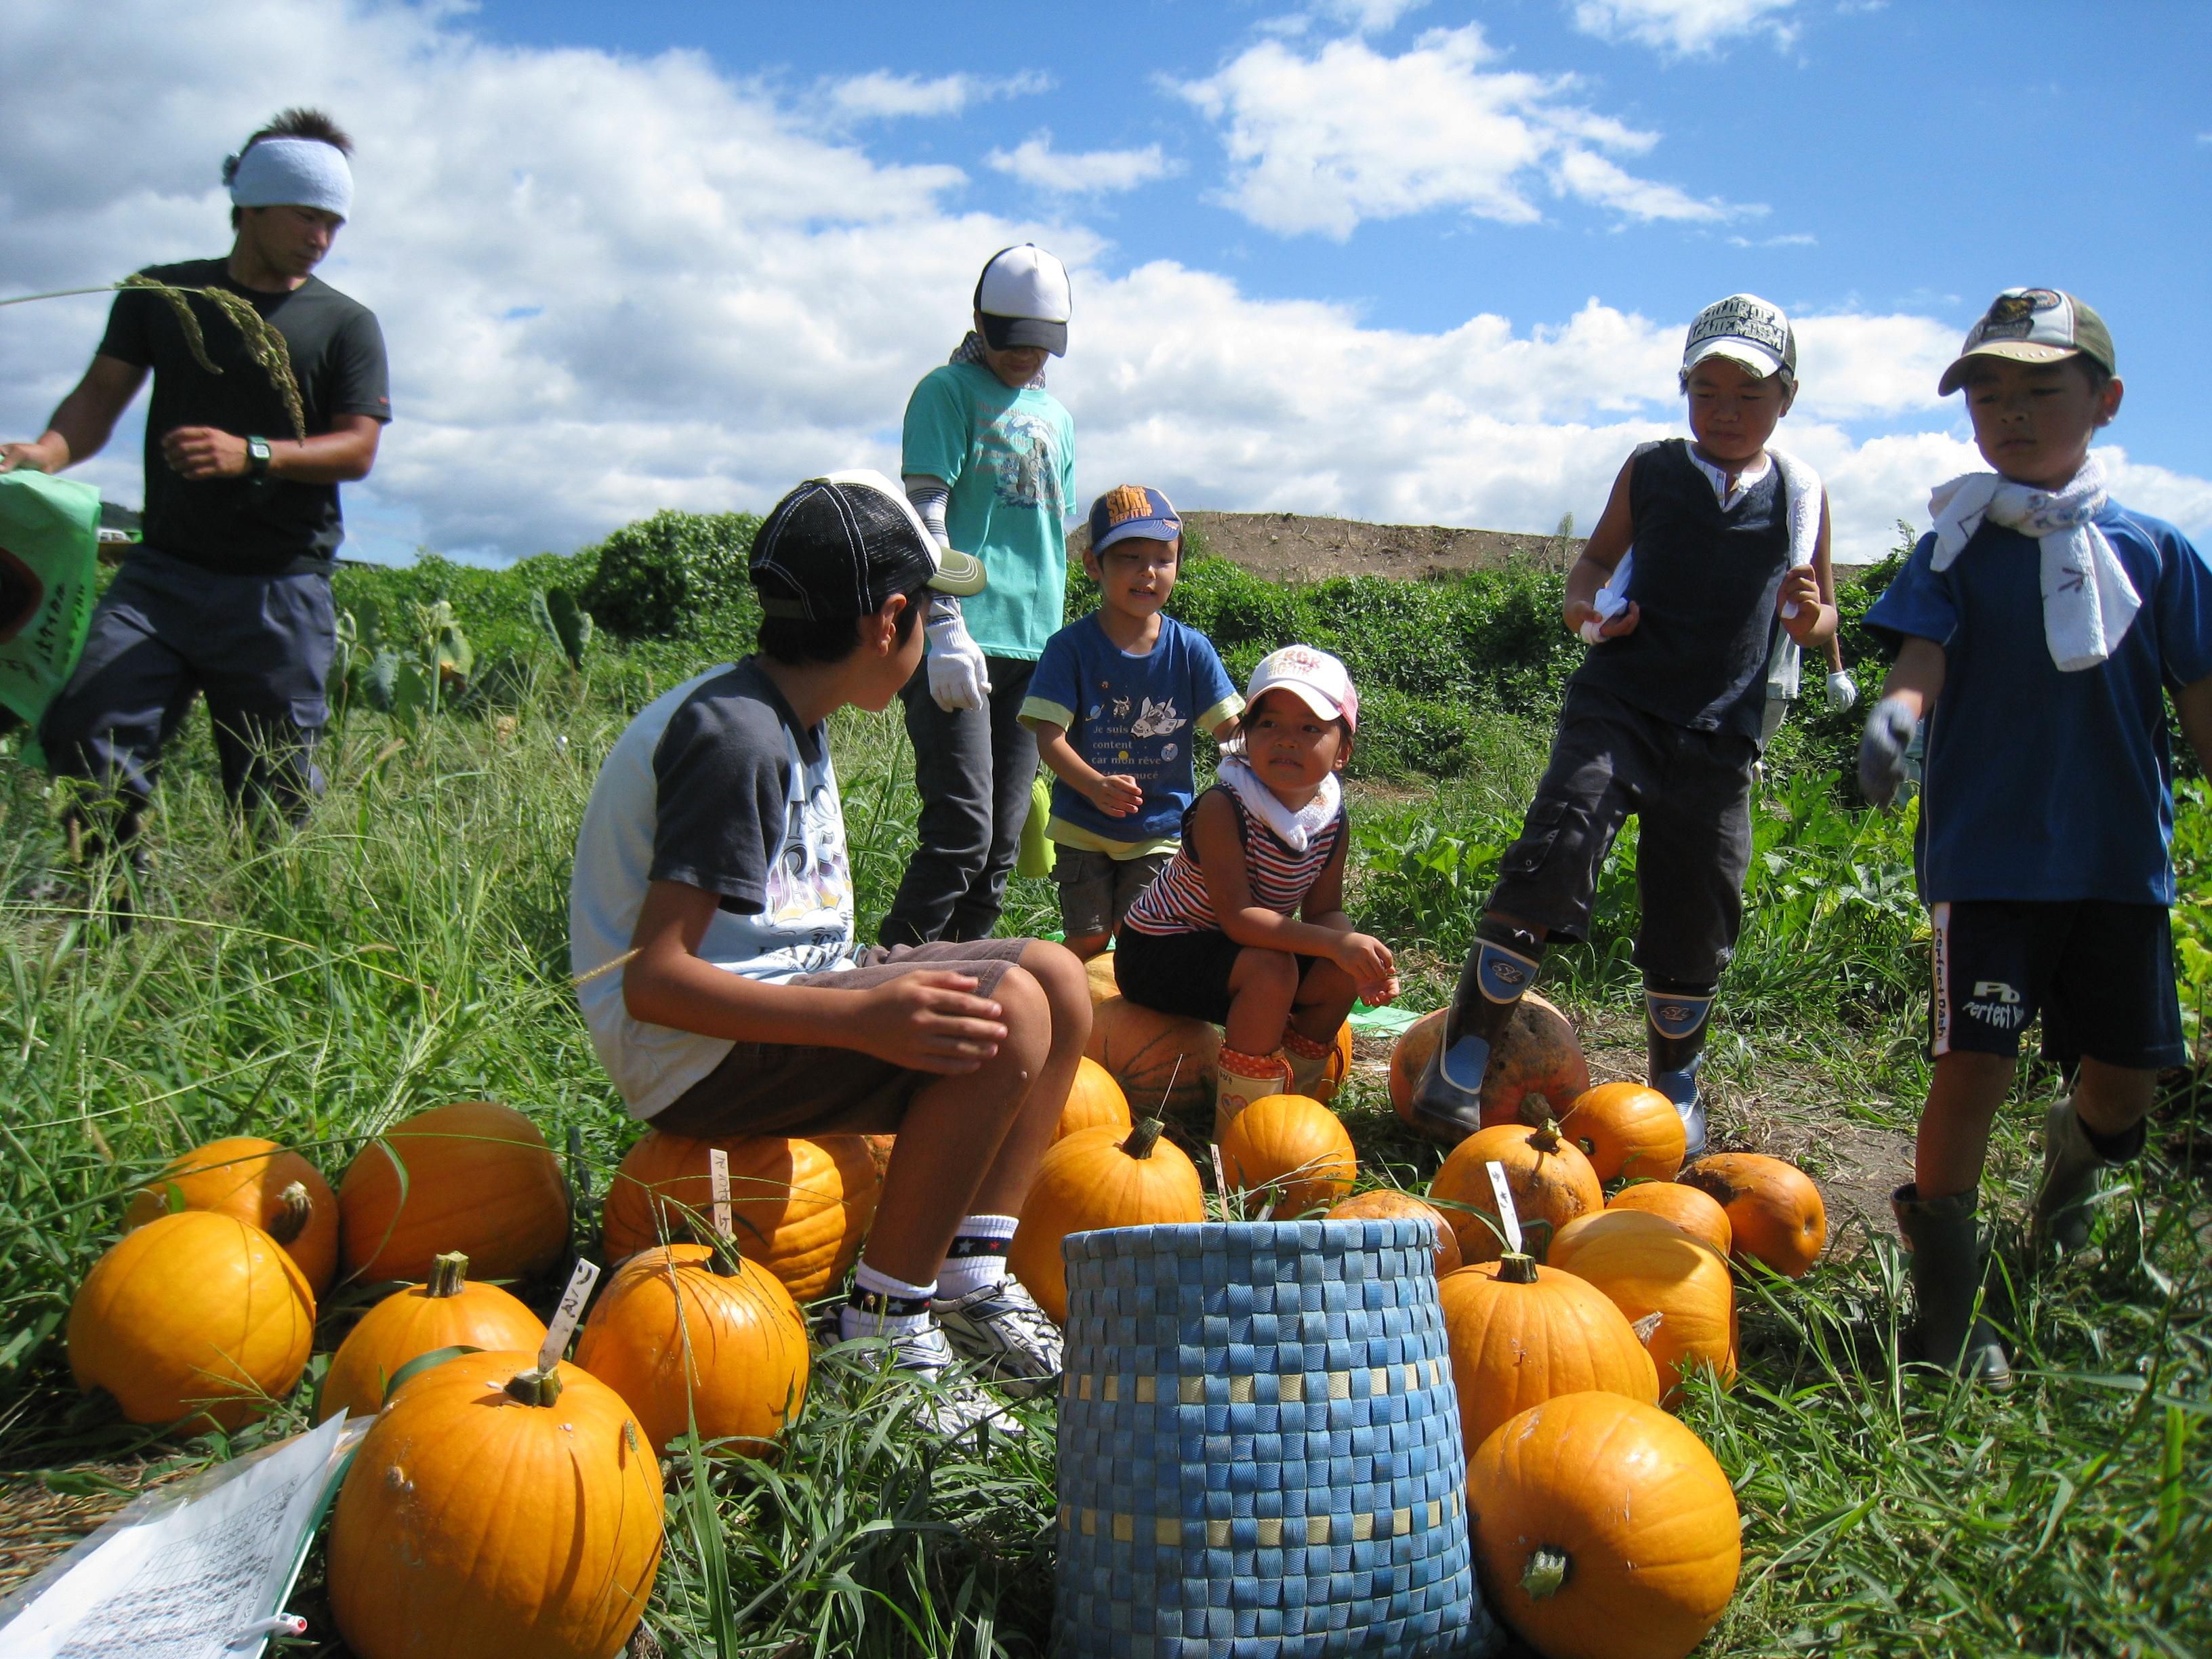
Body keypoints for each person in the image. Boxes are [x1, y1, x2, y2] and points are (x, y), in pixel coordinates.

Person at [569, 470, 1088, 1431]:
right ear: (890, 620)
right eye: (934, 613)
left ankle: (970, 1273)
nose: (936, 631)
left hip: (783, 1003)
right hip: (695, 1056)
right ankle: (884, 1326)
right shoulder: (738, 740)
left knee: (1055, 977)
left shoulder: (782, 718)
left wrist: (872, 984)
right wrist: (865, 1010)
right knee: (1006, 1015)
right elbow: (656, 982)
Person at [1857, 288, 2212, 1386]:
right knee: (1970, 1066)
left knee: (2122, 1082)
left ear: (2102, 401)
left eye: (2035, 391)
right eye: (1985, 394)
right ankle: (1948, 1309)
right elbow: (1918, 664)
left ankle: (2054, 1216)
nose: (2006, 414)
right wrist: (1892, 718)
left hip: (2115, 862)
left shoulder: (2152, 554)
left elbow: (2197, 700)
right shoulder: (1956, 544)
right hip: (1987, 859)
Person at [1409, 293, 1837, 1156]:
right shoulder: (1652, 470)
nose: (1725, 411)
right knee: (1559, 844)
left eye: (1749, 396)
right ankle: (1464, 1053)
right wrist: (1585, 614)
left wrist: (1809, 618)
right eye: (1706, 390)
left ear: (1786, 399)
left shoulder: (1802, 495)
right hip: (1620, 705)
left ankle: (1673, 1081)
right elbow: (1594, 563)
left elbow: (1825, 620)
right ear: (1683, 389)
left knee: (1700, 898)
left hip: (1721, 735)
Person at [0, 108, 389, 862]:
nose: (322, 237)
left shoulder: (344, 323)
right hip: (161, 577)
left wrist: (254, 454)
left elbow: (358, 448)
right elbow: (97, 399)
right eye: (308, 215)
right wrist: (45, 452)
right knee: (88, 726)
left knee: (274, 791)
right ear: (250, 205)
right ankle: (113, 908)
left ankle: (262, 936)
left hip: (281, 588)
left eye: (334, 223)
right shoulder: (160, 296)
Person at [1116, 646, 1397, 1138]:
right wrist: (1333, 943)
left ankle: (1292, 1109)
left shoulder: (1330, 818)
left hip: (1237, 951)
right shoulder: (1224, 808)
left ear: (1344, 749)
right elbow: (1240, 919)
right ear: (1245, 736)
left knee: (1335, 975)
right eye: (1270, 725)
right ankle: (1242, 1130)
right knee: (1273, 970)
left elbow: (1326, 911)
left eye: (1311, 728)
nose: (1287, 740)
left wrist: (1355, 956)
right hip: (1157, 953)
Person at [880, 245, 1077, 947]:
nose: (1023, 356)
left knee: (998, 847)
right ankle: (885, 975)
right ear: (979, 322)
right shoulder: (947, 391)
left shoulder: (1057, 416)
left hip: (1035, 649)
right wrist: (944, 626)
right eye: (1009, 340)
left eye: (1038, 343)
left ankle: (961, 987)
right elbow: (925, 512)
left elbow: (1046, 535)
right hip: (960, 642)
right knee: (960, 832)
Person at [1019, 485, 1243, 958]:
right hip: (1083, 825)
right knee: (1087, 938)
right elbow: (1049, 739)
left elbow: (1234, 734)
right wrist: (1094, 785)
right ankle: (1079, 1025)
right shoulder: (1070, 649)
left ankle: (1133, 1028)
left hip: (1160, 829)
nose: (1148, 572)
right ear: (1093, 565)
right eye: (1130, 558)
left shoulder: (1191, 650)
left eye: (1164, 559)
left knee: (1141, 937)